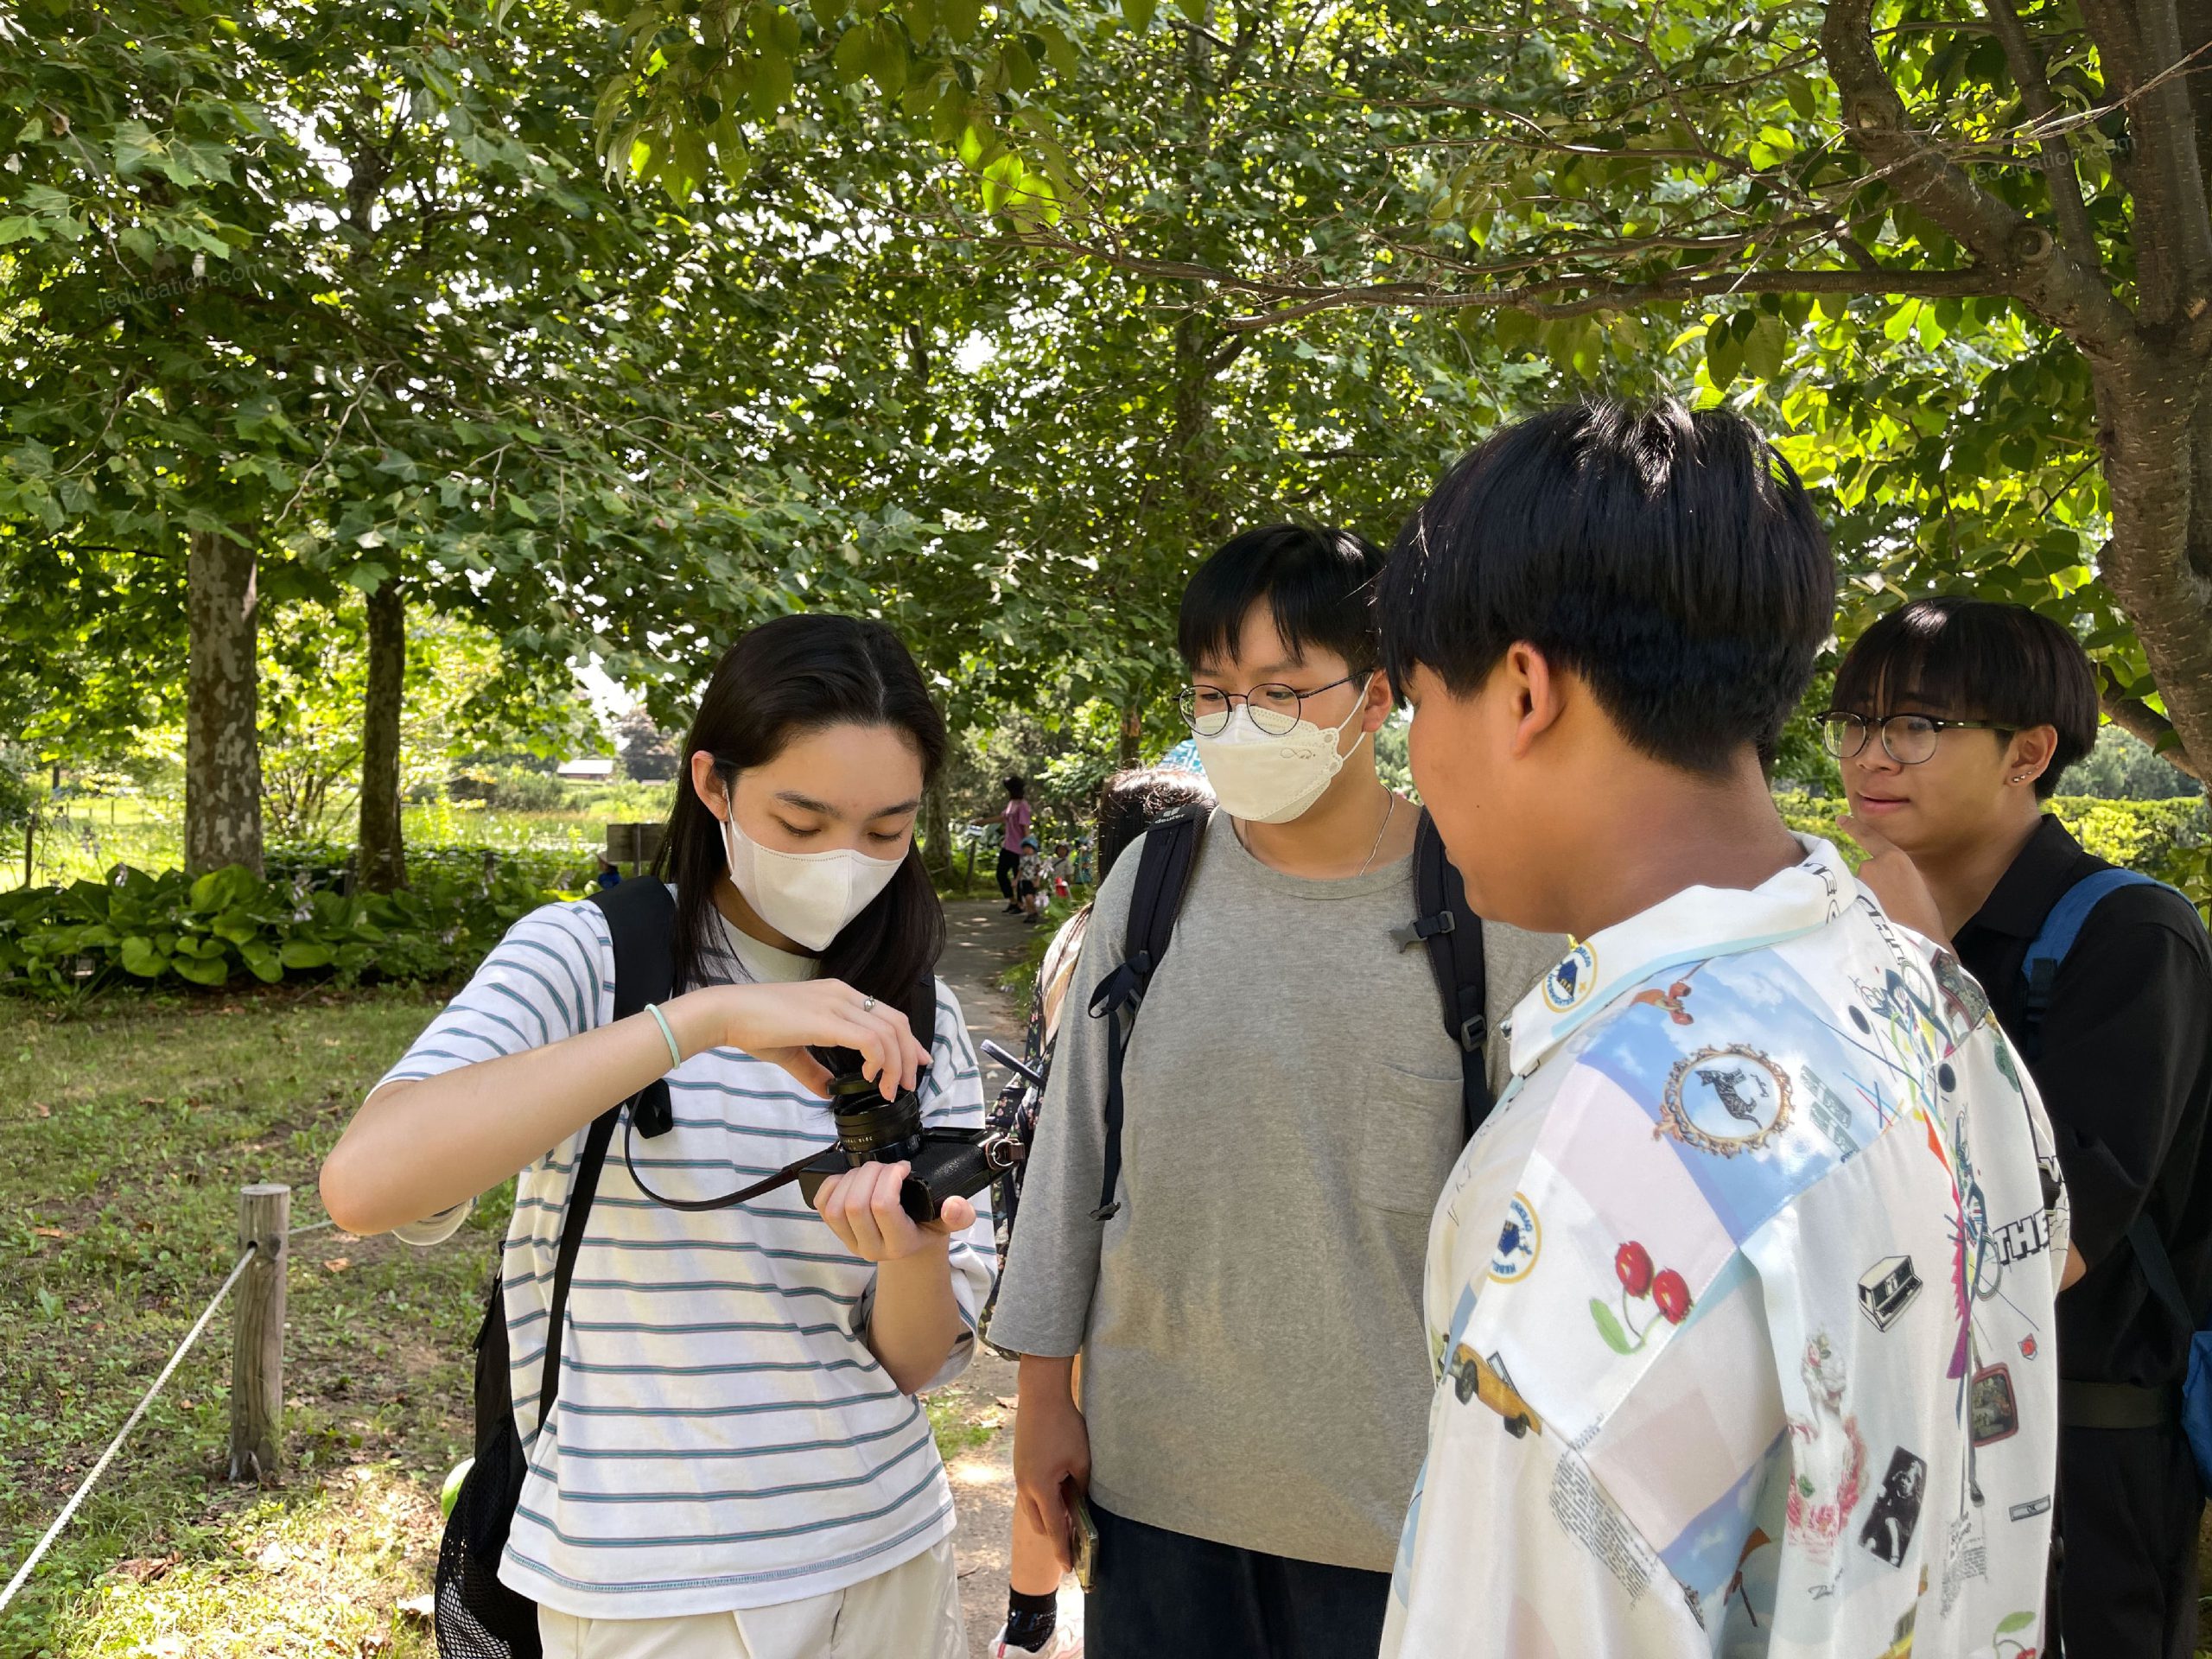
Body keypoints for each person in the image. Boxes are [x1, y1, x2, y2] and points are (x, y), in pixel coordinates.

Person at [1375, 402, 2071, 1656]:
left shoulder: (1600, 1179)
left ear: (1522, 691)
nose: (1414, 763)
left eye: (1418, 705)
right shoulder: (1931, 1000)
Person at [319, 614, 995, 1659]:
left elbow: (915, 1361)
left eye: (886, 828)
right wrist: (699, 1024)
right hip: (649, 1578)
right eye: (802, 820)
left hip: (891, 1552)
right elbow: (366, 1187)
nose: (845, 861)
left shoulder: (917, 1013)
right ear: (713, 786)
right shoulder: (591, 957)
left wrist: (913, 1250)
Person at [991, 524, 1564, 1659]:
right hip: (1160, 1494)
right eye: (1213, 693)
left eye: (1282, 691)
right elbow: (1074, 1156)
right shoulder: (1151, 885)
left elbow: (1548, 1221)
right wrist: (1045, 1400)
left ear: (1380, 695)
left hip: (1403, 1512)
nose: (1239, 724)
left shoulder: (1494, 906)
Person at [1827, 597, 2212, 1659]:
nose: (1871, 756)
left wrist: (1929, 979)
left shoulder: (2130, 937)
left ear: (2026, 752)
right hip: (1892, 1439)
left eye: (1914, 726)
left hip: (2081, 1472)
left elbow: (2043, 1250)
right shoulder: (1850, 931)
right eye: (1853, 724)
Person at [985, 766, 1215, 1659]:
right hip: (1099, 1221)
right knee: (1074, 1448)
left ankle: (1027, 1623)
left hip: (1044, 1201)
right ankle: (1038, 1625)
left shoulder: (1075, 933)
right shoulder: (1139, 946)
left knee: (1050, 1434)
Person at [980, 778, 1033, 914]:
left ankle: (1021, 905)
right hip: (1007, 845)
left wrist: (1029, 847)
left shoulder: (1023, 805)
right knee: (1001, 874)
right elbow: (1002, 818)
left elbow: (1026, 827)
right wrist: (983, 822)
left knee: (1018, 876)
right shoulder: (1011, 803)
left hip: (1019, 848)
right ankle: (1012, 901)